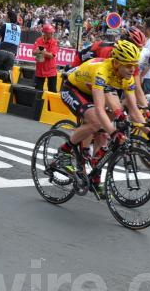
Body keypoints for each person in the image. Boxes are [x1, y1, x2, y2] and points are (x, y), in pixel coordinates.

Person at [55, 40, 143, 198]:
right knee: (97, 121)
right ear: (116, 63)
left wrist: (148, 130)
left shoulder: (127, 76)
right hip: (73, 88)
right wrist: (114, 131)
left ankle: (95, 178)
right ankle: (64, 151)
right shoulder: (102, 71)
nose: (133, 69)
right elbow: (99, 108)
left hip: (92, 90)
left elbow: (134, 108)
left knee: (104, 133)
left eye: (134, 65)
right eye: (128, 65)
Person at [0, 9, 21, 82]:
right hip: (12, 54)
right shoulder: (19, 28)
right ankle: (6, 74)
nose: (5, 17)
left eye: (6, 16)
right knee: (6, 80)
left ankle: (5, 74)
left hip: (2, 51)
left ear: (9, 18)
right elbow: (19, 43)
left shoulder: (6, 25)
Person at [33, 23, 59, 92]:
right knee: (38, 92)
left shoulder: (53, 42)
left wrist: (41, 51)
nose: (52, 34)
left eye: (52, 32)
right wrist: (39, 51)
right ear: (45, 33)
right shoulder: (38, 40)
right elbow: (33, 52)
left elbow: (51, 55)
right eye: (50, 32)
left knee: (52, 91)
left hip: (51, 70)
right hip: (40, 69)